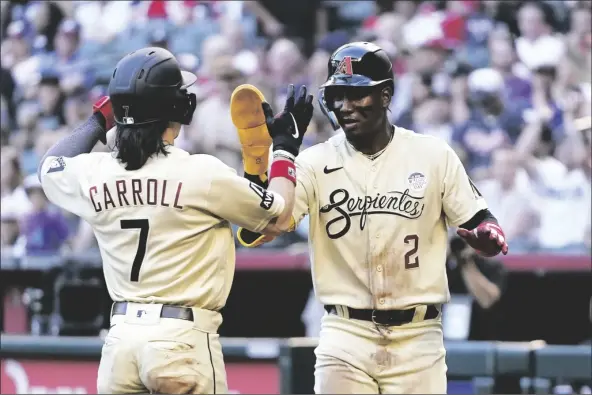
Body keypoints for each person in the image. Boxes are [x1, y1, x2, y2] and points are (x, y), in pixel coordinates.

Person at [37, 47, 313, 394]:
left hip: (120, 340)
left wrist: (100, 119)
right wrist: (285, 147)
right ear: (179, 109)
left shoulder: (95, 172)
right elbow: (278, 216)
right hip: (181, 338)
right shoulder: (200, 172)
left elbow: (50, 164)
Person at [237, 42, 509, 394]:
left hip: (418, 336)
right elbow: (261, 226)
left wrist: (487, 234)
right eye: (336, 95)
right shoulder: (314, 162)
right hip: (345, 332)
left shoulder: (432, 154)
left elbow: (480, 221)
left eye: (357, 94)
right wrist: (276, 157)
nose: (344, 106)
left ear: (385, 95)